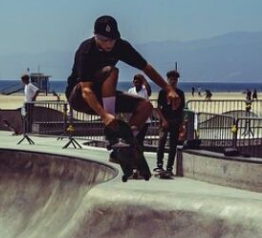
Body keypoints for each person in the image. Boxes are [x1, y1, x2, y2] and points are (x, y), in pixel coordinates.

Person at [65, 15, 180, 158]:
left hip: (102, 96)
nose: (109, 44)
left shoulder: (121, 46)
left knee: (146, 106)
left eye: (112, 40)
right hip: (79, 96)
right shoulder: (86, 50)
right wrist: (105, 115)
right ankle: (110, 127)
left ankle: (121, 144)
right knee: (112, 71)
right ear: (95, 36)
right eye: (104, 40)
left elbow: (146, 67)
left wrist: (168, 88)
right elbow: (86, 90)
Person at [154, 70, 186, 175]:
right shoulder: (163, 92)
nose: (173, 81)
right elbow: (158, 108)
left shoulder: (180, 93)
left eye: (175, 79)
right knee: (161, 143)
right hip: (165, 121)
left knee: (173, 145)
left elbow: (182, 110)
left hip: (176, 121)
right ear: (167, 80)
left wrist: (181, 124)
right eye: (171, 79)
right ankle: (159, 165)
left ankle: (169, 167)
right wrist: (163, 120)